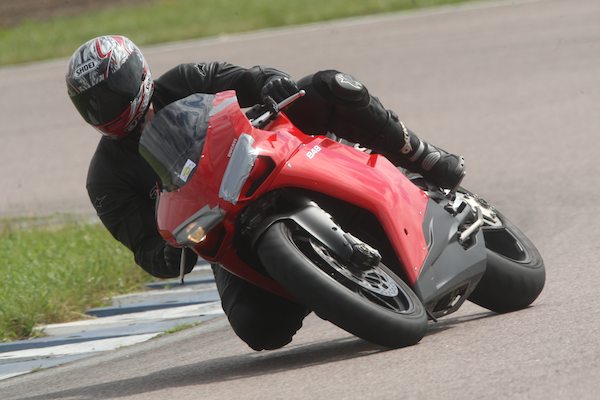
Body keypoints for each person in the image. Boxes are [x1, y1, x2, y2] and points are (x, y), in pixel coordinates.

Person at [66, 35, 465, 351]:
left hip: (266, 154)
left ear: (136, 74)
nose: (104, 109)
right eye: (92, 104)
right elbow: (144, 247)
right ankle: (316, 281)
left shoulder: (186, 80)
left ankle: (420, 155)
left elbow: (247, 78)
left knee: (330, 85)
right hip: (223, 224)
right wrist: (171, 251)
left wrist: (269, 81)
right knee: (259, 330)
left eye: (110, 93)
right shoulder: (105, 179)